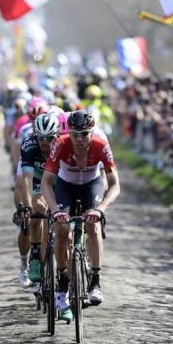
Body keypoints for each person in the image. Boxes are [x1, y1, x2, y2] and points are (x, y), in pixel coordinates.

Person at [41, 110, 120, 322]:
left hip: (91, 186)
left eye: (84, 134)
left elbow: (114, 186)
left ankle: (95, 280)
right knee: (61, 230)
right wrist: (56, 211)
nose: (79, 139)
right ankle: (63, 283)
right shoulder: (60, 144)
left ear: (91, 132)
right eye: (75, 134)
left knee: (93, 226)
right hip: (66, 186)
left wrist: (100, 209)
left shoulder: (100, 145)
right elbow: (46, 182)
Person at [17, 113, 60, 290]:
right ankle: (35, 255)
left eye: (49, 138)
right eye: (41, 138)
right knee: (37, 211)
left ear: (57, 135)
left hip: (60, 181)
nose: (45, 142)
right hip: (37, 180)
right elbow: (25, 179)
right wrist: (27, 207)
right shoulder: (29, 145)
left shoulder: (63, 145)